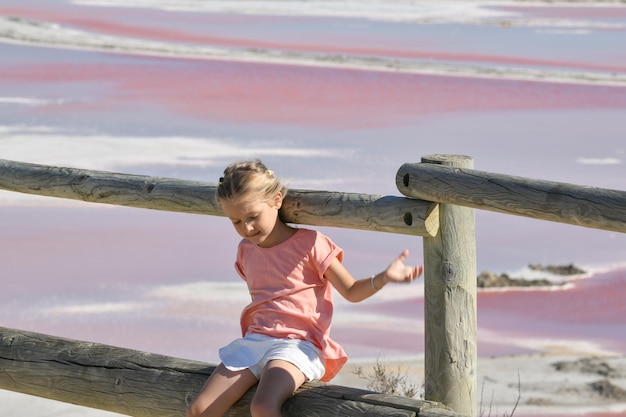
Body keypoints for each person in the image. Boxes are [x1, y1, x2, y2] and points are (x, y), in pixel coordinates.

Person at [187, 160, 424, 417]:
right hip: (255, 342)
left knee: (263, 406)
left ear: (277, 199)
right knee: (199, 410)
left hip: (298, 346)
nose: (247, 228)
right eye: (236, 221)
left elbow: (352, 290)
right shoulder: (246, 250)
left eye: (253, 217)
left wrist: (385, 277)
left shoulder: (311, 244)